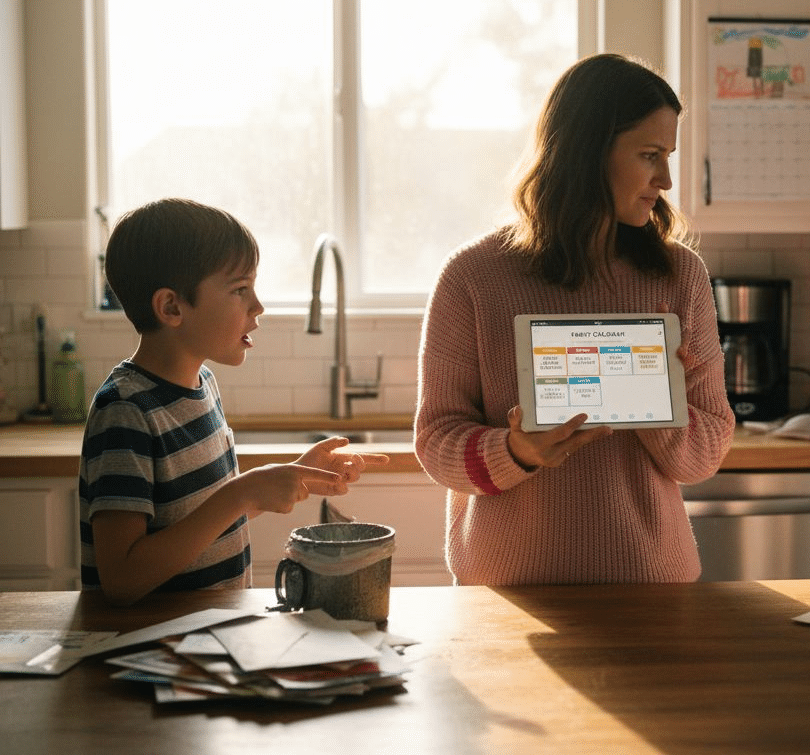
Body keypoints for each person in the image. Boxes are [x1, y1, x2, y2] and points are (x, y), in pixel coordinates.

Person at [415, 53, 735, 586]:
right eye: (650, 154)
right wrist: (516, 450)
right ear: (588, 154)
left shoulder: (681, 276)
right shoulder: (472, 277)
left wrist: (658, 404)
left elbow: (703, 458)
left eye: (669, 155)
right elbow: (435, 442)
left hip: (650, 584)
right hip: (508, 593)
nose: (666, 179)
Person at [80, 198, 389, 605]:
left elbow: (207, 521)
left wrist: (294, 474)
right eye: (240, 289)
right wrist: (240, 494)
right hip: (144, 647)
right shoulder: (125, 411)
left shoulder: (203, 385)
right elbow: (122, 579)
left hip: (203, 635)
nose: (258, 307)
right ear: (172, 307)